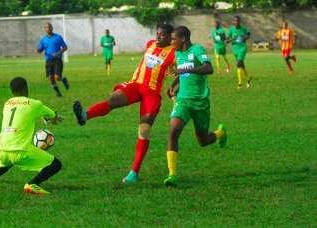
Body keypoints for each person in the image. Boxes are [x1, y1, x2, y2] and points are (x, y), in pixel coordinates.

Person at [73, 24, 176, 183]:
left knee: (144, 130)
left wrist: (173, 87)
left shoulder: (175, 53)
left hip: (152, 92)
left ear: (170, 37)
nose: (157, 37)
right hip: (136, 84)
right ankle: (85, 115)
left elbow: (185, 71)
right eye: (157, 34)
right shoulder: (150, 44)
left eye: (162, 35)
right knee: (113, 99)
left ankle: (134, 172)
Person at [0, 76, 65, 195]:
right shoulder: (34, 104)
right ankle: (33, 184)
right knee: (56, 165)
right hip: (20, 151)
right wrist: (55, 117)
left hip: (1, 150)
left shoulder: (7, 104)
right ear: (26, 89)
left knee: (9, 159)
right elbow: (52, 115)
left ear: (12, 92)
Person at [163, 26, 227, 187]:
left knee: (203, 141)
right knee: (173, 132)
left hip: (200, 102)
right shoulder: (178, 53)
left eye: (173, 39)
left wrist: (184, 70)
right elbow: (183, 73)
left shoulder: (197, 50)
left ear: (182, 38)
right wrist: (173, 86)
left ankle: (220, 133)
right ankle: (172, 174)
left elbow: (208, 68)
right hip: (183, 100)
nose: (171, 42)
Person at [37, 23, 70, 97]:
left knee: (57, 77)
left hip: (57, 60)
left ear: (52, 28)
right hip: (48, 61)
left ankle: (63, 79)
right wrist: (38, 50)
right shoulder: (43, 39)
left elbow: (65, 47)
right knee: (50, 78)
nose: (48, 28)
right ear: (45, 29)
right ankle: (58, 93)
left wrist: (58, 52)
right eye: (46, 27)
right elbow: (40, 49)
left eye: (49, 27)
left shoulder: (58, 37)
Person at [226, 16, 252, 89]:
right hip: (235, 50)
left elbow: (248, 33)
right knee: (242, 65)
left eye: (238, 21)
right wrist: (233, 39)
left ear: (240, 21)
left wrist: (245, 38)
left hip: (242, 48)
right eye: (235, 21)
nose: (236, 22)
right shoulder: (231, 30)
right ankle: (249, 78)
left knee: (238, 63)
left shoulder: (244, 29)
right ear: (233, 22)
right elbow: (227, 41)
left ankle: (240, 83)